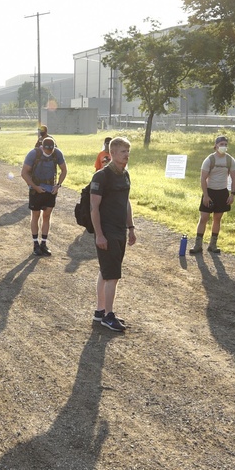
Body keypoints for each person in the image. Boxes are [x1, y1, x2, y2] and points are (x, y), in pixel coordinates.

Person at [89, 136, 136, 332]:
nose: (127, 155)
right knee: (113, 275)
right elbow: (94, 208)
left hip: (120, 230)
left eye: (128, 151)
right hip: (107, 231)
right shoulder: (101, 176)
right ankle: (109, 315)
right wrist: (99, 234)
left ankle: (100, 311)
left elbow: (126, 202)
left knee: (106, 271)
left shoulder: (125, 174)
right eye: (123, 151)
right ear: (113, 153)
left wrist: (131, 227)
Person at [188, 134, 235, 254]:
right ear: (215, 146)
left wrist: (232, 194)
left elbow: (234, 178)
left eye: (226, 145)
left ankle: (213, 245)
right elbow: (203, 178)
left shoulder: (230, 160)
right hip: (210, 191)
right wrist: (205, 195)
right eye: (221, 145)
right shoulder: (209, 160)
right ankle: (198, 245)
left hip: (222, 192)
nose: (224, 147)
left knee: (217, 218)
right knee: (204, 218)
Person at [21, 136, 67, 256]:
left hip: (50, 189)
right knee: (35, 215)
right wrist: (35, 187)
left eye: (51, 150)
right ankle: (35, 244)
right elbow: (24, 173)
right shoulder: (33, 154)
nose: (49, 153)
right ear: (42, 147)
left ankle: (44, 243)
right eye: (47, 151)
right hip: (36, 189)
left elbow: (64, 170)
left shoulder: (57, 153)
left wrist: (58, 185)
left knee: (47, 215)